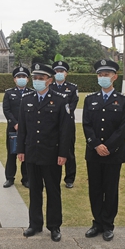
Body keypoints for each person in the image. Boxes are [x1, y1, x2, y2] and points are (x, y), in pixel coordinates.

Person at [17, 63, 74, 242]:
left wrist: (63, 153)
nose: (37, 81)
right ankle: (34, 224)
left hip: (51, 153)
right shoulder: (26, 99)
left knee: (53, 190)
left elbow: (66, 130)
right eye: (35, 78)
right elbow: (22, 128)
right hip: (32, 152)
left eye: (41, 79)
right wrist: (20, 150)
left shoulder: (60, 100)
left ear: (49, 80)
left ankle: (54, 226)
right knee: (34, 190)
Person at [82, 59, 125, 241]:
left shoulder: (124, 100)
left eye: (106, 75)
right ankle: (97, 223)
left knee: (110, 189)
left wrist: (109, 146)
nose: (103, 77)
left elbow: (124, 128)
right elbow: (86, 124)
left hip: (114, 153)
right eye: (100, 75)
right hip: (94, 152)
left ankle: (108, 224)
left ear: (115, 77)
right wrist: (96, 144)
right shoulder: (90, 99)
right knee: (95, 189)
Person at [52, 60, 80, 188]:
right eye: (57, 71)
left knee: (68, 151)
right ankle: (52, 176)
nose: (59, 73)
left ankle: (69, 178)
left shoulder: (72, 88)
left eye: (61, 71)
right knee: (52, 150)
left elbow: (72, 106)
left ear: (66, 73)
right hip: (52, 124)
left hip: (67, 123)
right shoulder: (49, 87)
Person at [2, 65, 30, 188]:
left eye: (23, 76)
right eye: (19, 77)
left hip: (28, 129)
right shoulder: (9, 93)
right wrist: (15, 123)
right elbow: (6, 110)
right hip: (13, 129)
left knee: (27, 154)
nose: (21, 78)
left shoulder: (32, 93)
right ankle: (9, 178)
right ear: (14, 79)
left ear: (28, 79)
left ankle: (26, 179)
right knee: (12, 154)